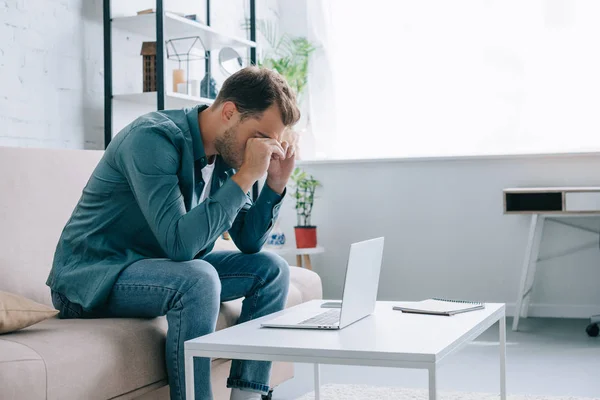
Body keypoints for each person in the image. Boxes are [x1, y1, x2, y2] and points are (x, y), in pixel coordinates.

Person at [46, 66, 301, 400]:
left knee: (272, 270)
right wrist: (246, 175)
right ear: (229, 113)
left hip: (162, 273)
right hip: (94, 276)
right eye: (261, 136)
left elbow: (249, 241)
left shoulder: (228, 155)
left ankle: (246, 397)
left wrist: (274, 183)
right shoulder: (153, 138)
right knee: (199, 277)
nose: (265, 149)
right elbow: (180, 245)